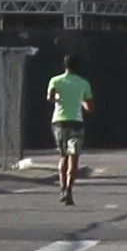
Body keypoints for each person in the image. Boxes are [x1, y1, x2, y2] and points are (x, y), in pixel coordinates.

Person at [43, 57, 96, 197]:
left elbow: (50, 97)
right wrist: (81, 102)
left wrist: (57, 98)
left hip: (59, 122)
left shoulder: (55, 80)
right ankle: (69, 189)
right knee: (74, 157)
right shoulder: (84, 83)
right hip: (76, 122)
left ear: (64, 66)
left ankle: (61, 188)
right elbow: (90, 107)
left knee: (63, 156)